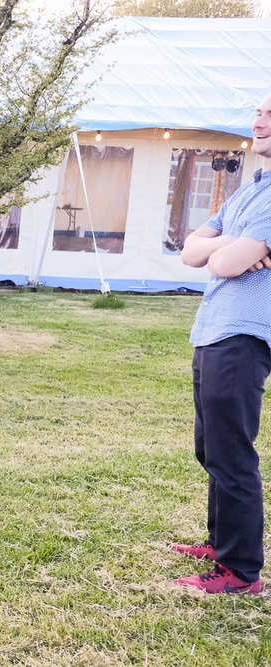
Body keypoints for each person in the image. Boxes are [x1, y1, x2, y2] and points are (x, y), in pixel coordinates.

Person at [169, 91, 271, 595]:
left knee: (232, 452)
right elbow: (191, 251)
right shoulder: (254, 187)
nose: (260, 120)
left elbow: (221, 264)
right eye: (259, 111)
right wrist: (238, 243)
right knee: (210, 446)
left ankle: (240, 571)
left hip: (245, 333)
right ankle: (219, 543)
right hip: (211, 329)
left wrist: (224, 249)